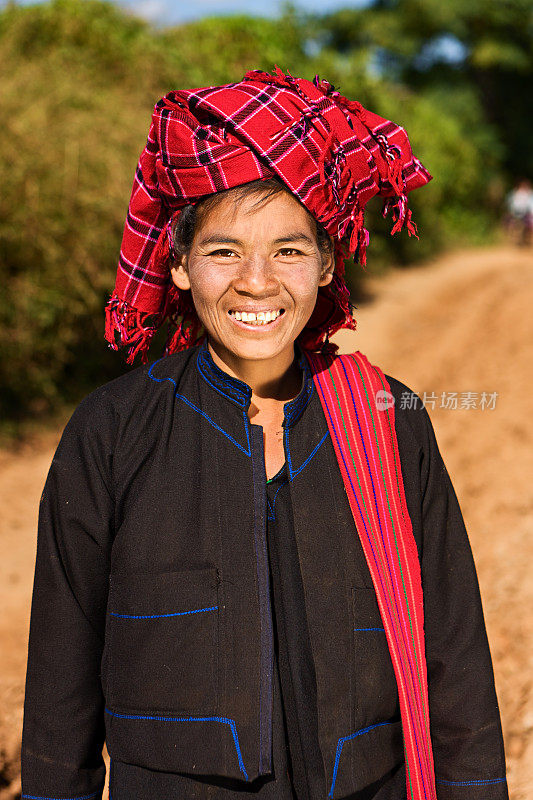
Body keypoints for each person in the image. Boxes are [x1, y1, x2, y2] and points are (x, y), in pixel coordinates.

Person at [21, 69, 508, 800]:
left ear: (326, 264)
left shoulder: (386, 417)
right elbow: (63, 668)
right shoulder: (113, 431)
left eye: (287, 251)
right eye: (223, 253)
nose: (256, 283)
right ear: (180, 267)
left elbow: (454, 649)